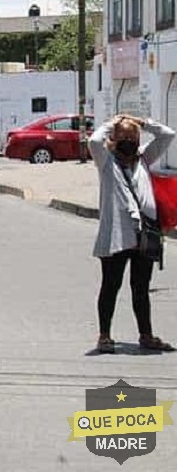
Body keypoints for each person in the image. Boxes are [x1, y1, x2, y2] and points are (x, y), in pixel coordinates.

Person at [89, 114, 176, 353]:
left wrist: (141, 122)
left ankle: (146, 335)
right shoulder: (106, 161)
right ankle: (104, 336)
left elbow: (167, 134)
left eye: (132, 136)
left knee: (141, 288)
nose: (128, 140)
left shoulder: (144, 159)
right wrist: (113, 122)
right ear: (114, 139)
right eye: (123, 136)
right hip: (116, 236)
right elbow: (95, 141)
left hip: (144, 236)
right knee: (111, 286)